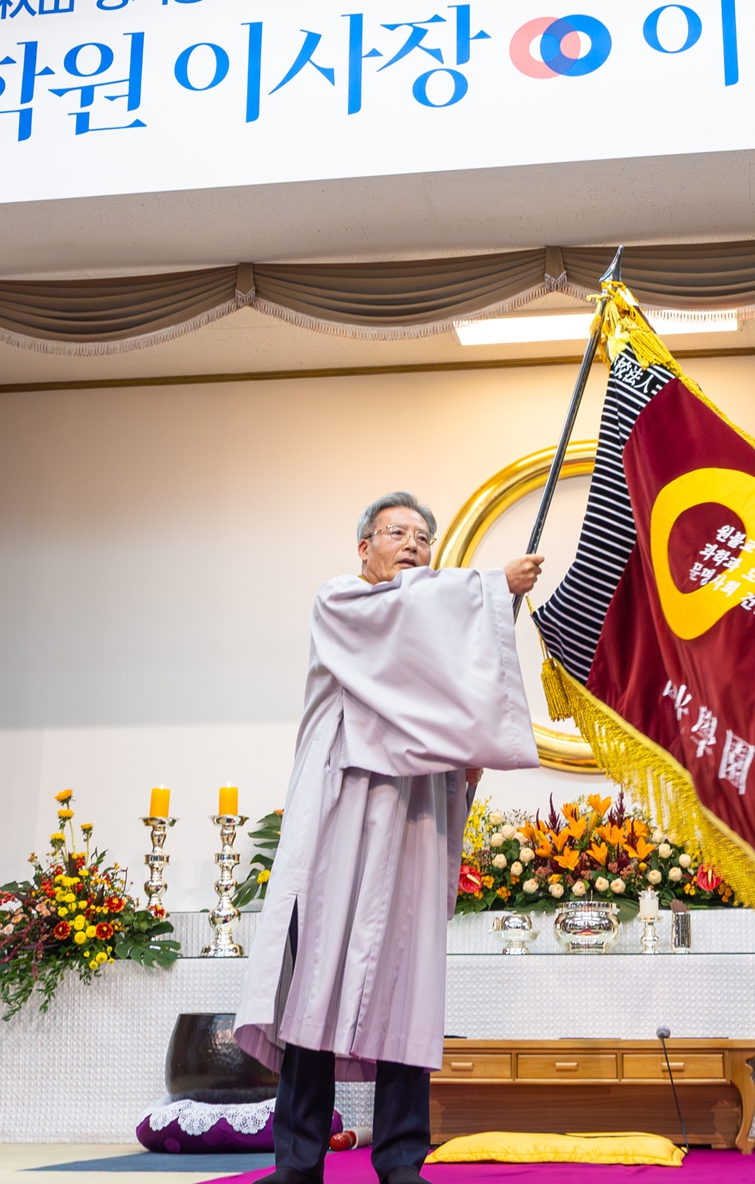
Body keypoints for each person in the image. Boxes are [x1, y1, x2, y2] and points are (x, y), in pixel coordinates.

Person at [236, 491, 545, 1184]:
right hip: (339, 822)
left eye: (422, 537)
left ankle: (402, 1157)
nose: (411, 543)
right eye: (396, 532)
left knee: (409, 986)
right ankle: (298, 1158)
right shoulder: (342, 602)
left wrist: (490, 619)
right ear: (364, 547)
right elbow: (406, 622)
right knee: (315, 984)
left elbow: (464, 692)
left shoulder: (434, 625)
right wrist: (493, 586)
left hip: (412, 822)